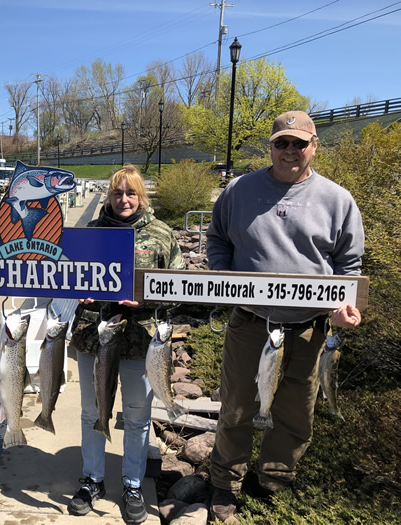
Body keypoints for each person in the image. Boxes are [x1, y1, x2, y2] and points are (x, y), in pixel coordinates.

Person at [206, 110, 364, 522]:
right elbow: (218, 238)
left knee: (295, 413)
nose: (290, 150)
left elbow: (349, 265)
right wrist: (222, 278)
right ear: (271, 146)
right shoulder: (239, 190)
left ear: (314, 147)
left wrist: (347, 306)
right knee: (238, 406)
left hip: (309, 328)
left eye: (299, 143)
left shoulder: (337, 199)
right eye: (282, 143)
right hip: (250, 322)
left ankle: (273, 481)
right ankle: (225, 483)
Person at [67, 165, 185, 523]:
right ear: (109, 196)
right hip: (94, 339)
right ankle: (93, 479)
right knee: (92, 413)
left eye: (130, 193)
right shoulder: (90, 233)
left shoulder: (162, 235)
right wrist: (78, 293)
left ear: (141, 196)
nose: (124, 200)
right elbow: (67, 277)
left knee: (137, 417)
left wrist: (146, 299)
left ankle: (132, 484)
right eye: (118, 193)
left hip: (141, 343)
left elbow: (179, 289)